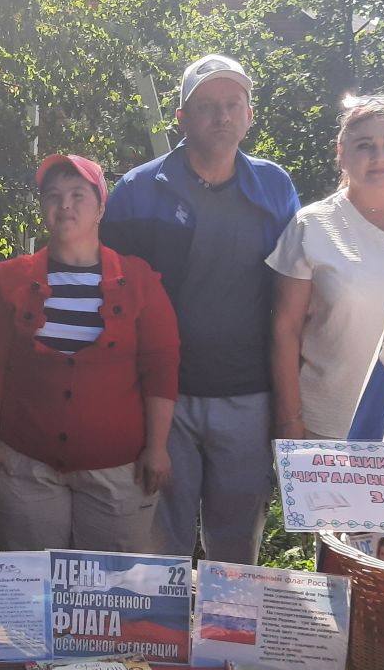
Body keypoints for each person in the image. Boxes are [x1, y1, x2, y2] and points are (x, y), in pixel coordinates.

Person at [100, 53, 299, 565]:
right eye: (207, 106)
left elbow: (293, 295)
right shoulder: (138, 191)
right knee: (160, 542)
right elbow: (112, 304)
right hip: (164, 397)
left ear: (250, 114)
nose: (222, 116)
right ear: (181, 116)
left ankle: (226, 646)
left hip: (247, 396)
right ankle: (159, 645)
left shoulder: (275, 188)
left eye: (233, 104)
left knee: (236, 548)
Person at [0, 154, 178, 549]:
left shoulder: (139, 281)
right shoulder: (10, 281)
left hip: (119, 474)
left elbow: (162, 367)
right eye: (53, 195)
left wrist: (158, 447)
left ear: (101, 206)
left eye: (78, 194)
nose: (65, 205)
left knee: (107, 597)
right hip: (26, 468)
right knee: (34, 593)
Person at [268, 96, 384, 484]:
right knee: (341, 546)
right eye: (365, 145)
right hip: (333, 430)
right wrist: (290, 422)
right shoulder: (311, 226)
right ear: (342, 153)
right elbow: (285, 331)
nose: (379, 155)